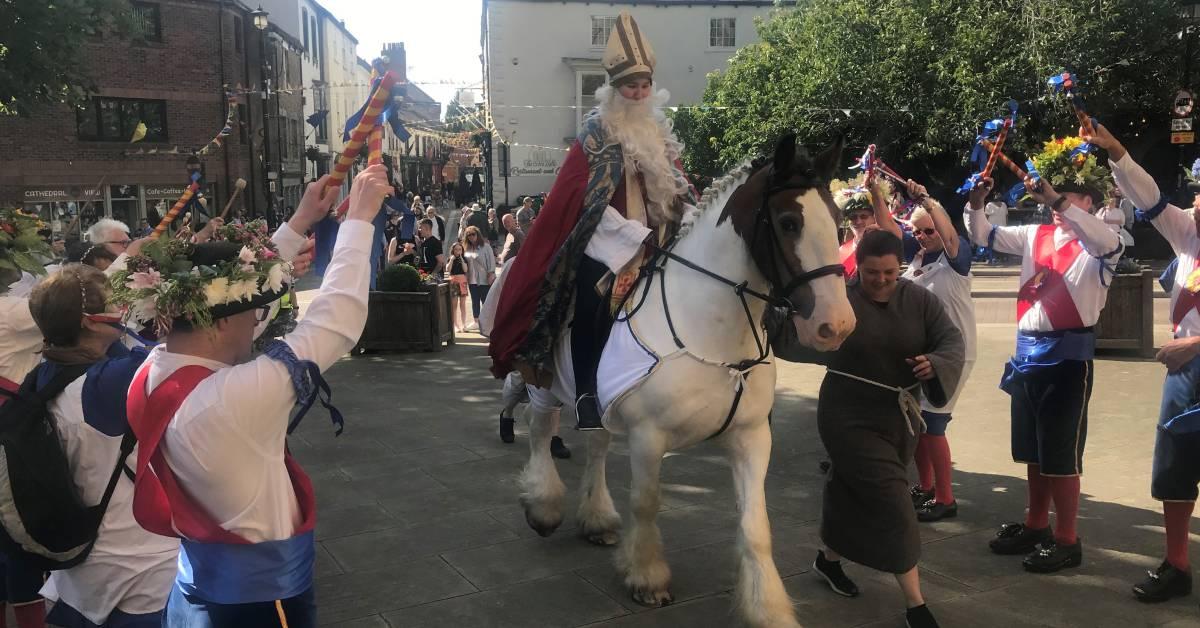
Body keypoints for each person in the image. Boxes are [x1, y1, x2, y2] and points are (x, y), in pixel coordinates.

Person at [113, 167, 389, 626]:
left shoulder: (153, 369)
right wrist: (360, 219)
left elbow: (235, 311)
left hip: (202, 587)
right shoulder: (228, 400)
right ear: (219, 322)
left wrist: (300, 221)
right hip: (258, 602)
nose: (258, 321)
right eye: (250, 314)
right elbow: (335, 321)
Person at [488, 10, 695, 430]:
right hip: (607, 242)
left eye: (644, 86)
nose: (638, 94)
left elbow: (678, 189)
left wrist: (694, 215)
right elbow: (582, 200)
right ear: (615, 90)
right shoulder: (595, 134)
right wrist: (631, 235)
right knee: (592, 295)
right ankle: (585, 391)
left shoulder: (659, 136)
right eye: (630, 87)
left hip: (658, 241)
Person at [779, 230, 963, 628]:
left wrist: (935, 362)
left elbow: (951, 341)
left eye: (889, 272)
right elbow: (796, 338)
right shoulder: (839, 301)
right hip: (846, 416)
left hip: (899, 419)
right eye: (870, 273)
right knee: (893, 500)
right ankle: (915, 603)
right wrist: (778, 315)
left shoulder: (920, 300)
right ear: (856, 268)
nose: (880, 280)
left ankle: (827, 560)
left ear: (900, 267)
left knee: (849, 491)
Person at [964, 139, 1122, 574]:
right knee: (1033, 450)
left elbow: (1106, 241)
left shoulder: (1101, 246)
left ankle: (1067, 539)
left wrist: (1059, 202)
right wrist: (976, 202)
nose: (1055, 203)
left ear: (1088, 200)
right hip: (1026, 355)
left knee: (1061, 453)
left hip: (1068, 360)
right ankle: (1036, 525)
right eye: (1052, 196)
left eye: (1066, 196)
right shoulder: (1036, 235)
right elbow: (983, 235)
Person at [23, 264, 177, 628]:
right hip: (138, 567)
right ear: (91, 322)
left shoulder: (44, 373)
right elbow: (199, 347)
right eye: (116, 302)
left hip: (79, 571)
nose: (124, 308)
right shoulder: (108, 384)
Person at [1089, 121, 1200, 602]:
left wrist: (1194, 346)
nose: (1196, 202)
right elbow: (1150, 197)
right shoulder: (1188, 237)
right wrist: (1116, 151)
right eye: (1198, 194)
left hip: (1187, 359)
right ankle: (1177, 565)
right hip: (1185, 376)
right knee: (1175, 470)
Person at [875, 179, 976, 523]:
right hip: (924, 353)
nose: (922, 237)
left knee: (934, 424)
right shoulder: (917, 254)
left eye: (927, 231)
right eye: (917, 232)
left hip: (953, 352)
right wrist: (875, 193)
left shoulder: (956, 254)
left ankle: (946, 497)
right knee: (918, 422)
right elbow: (888, 228)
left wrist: (928, 200)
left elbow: (947, 235)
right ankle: (927, 486)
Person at [830, 179, 880, 278]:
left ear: (874, 218)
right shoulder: (841, 251)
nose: (858, 221)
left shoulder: (886, 245)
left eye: (864, 216)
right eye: (853, 217)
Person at [461, 226, 496, 331]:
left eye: (473, 234)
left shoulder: (486, 247)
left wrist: (491, 273)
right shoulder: (466, 248)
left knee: (485, 301)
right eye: (469, 235)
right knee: (474, 300)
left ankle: (487, 322)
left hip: (484, 278)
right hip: (472, 279)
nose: (471, 237)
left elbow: (491, 262)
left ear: (477, 234)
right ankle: (476, 321)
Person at [445, 242, 470, 332]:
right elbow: (447, 270)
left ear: (462, 250)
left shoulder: (464, 259)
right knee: (454, 305)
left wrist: (462, 260)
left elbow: (465, 270)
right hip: (453, 281)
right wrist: (451, 260)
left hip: (462, 281)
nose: (458, 251)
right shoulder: (450, 259)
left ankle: (464, 324)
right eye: (456, 249)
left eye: (460, 249)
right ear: (453, 250)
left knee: (462, 304)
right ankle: (455, 325)